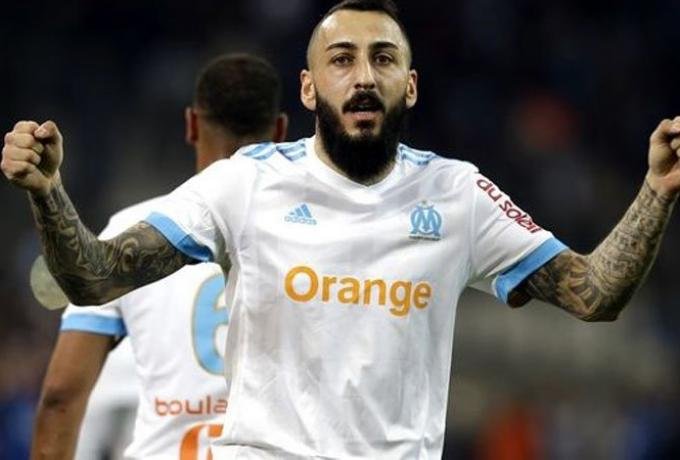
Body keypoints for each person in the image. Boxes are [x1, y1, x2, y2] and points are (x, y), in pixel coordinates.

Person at [3, 0, 680, 457]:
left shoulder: (457, 194)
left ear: (410, 85)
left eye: (383, 59)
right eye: (342, 59)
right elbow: (96, 278)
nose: (363, 76)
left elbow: (595, 292)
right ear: (308, 87)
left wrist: (656, 190)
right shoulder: (246, 183)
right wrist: (48, 191)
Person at [26, 53, 288, 460]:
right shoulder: (315, 236)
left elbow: (61, 396)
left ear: (191, 124)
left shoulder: (129, 231)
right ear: (281, 131)